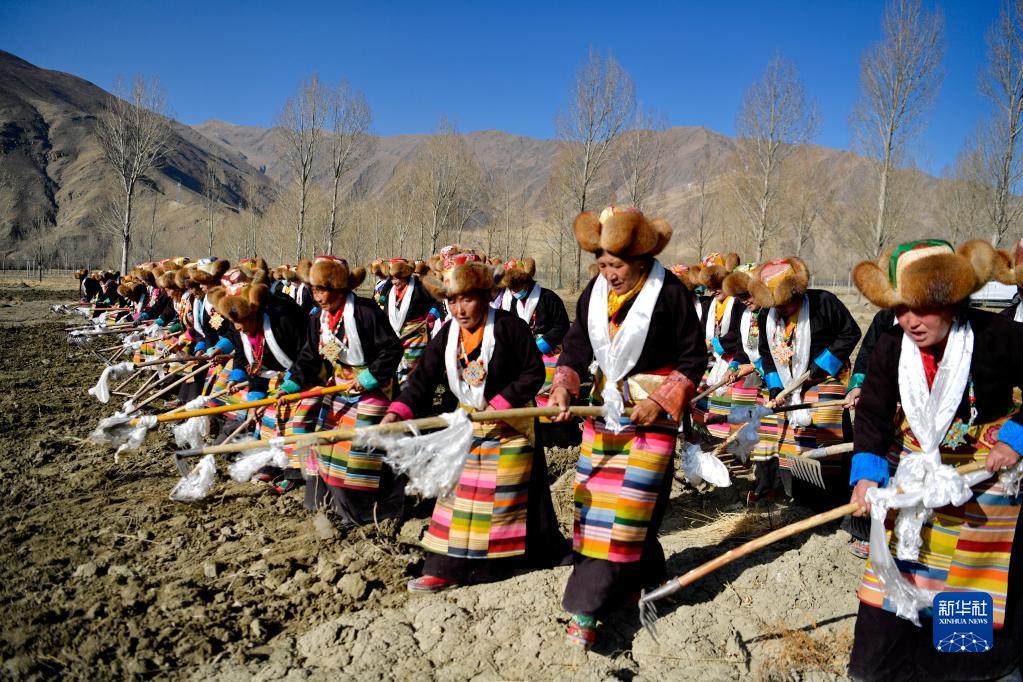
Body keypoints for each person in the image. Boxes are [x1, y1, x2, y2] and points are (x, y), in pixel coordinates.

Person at [846, 239, 1023, 681]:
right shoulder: (890, 344)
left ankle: (959, 670)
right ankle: (883, 670)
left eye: (921, 309)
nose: (909, 321)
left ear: (950, 300)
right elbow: (872, 411)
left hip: (982, 484)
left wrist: (1015, 439)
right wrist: (867, 474)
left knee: (963, 588)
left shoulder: (997, 336)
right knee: (895, 581)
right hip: (913, 482)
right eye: (901, 309)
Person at [548, 205, 706, 649]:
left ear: (640, 261)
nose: (609, 273)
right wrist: (563, 385)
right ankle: (642, 578)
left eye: (616, 265)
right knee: (596, 503)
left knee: (631, 510)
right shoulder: (593, 295)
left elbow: (695, 359)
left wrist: (660, 400)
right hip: (606, 415)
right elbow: (576, 349)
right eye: (601, 264)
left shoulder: (670, 293)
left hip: (651, 420)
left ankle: (586, 607)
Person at [380, 250, 568, 592]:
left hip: (511, 426)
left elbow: (533, 372)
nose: (459, 310)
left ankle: (507, 563)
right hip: (468, 427)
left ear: (485, 296)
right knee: (457, 499)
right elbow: (423, 379)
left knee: (513, 501)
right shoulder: (448, 334)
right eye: (452, 301)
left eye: (467, 300)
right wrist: (400, 409)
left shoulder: (511, 328)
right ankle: (445, 567)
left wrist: (499, 403)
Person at [291, 256, 405, 521]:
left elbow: (392, 349)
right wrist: (292, 382)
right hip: (340, 387)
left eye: (323, 290)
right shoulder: (318, 318)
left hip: (374, 388)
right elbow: (309, 356)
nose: (317, 297)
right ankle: (325, 505)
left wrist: (367, 378)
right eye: (313, 290)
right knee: (323, 441)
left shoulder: (365, 312)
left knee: (356, 449)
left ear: (340, 288)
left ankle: (361, 512)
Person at [746, 257, 861, 502]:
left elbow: (850, 332)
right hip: (789, 388)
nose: (783, 308)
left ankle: (834, 497)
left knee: (829, 444)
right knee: (791, 442)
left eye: (788, 302)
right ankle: (799, 494)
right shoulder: (768, 314)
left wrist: (821, 365)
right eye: (778, 304)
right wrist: (777, 387)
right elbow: (767, 354)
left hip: (825, 382)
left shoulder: (824, 302)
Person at [497, 257, 575, 446]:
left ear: (527, 282)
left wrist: (541, 344)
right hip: (520, 354)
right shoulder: (507, 302)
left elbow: (561, 325)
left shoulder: (548, 298)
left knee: (548, 394)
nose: (514, 291)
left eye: (517, 286)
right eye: (511, 287)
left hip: (548, 352)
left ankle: (560, 437)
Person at [691, 253, 744, 440]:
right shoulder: (709, 305)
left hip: (736, 360)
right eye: (709, 287)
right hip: (714, 361)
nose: (713, 290)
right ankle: (708, 438)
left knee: (732, 407)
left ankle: (730, 444)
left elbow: (741, 333)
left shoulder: (739, 302)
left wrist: (715, 343)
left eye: (717, 285)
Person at [382, 257, 442, 387]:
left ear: (405, 275)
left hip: (416, 335)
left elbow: (439, 300)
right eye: (392, 278)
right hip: (396, 335)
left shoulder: (421, 288)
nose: (394, 282)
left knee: (411, 367)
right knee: (395, 365)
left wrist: (432, 313)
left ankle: (411, 394)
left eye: (397, 278)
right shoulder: (390, 294)